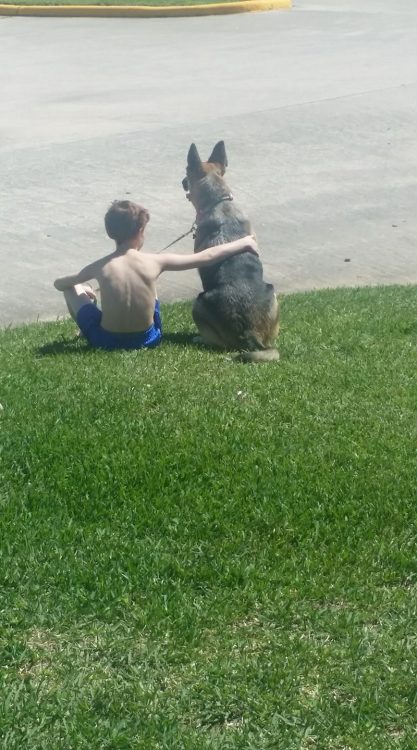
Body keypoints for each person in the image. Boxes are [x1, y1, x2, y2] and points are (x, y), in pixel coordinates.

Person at [54, 199, 258, 351]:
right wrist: (244, 242)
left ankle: (84, 328)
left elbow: (61, 284)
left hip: (106, 340)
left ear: (110, 233)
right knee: (149, 281)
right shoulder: (155, 261)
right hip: (148, 339)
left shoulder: (100, 266)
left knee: (73, 288)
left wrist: (83, 288)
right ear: (140, 230)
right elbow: (208, 256)